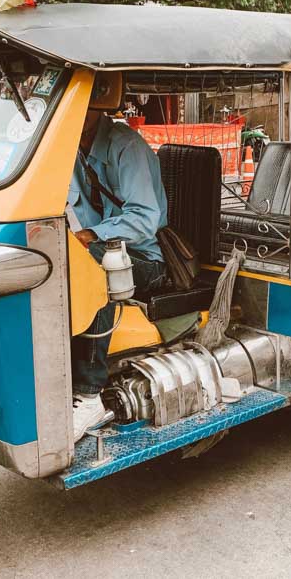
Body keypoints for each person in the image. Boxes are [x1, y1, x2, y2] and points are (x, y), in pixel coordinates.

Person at [68, 107, 168, 440]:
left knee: (93, 267)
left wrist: (92, 236)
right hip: (108, 247)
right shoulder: (71, 147)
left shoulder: (127, 147)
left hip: (146, 259)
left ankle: (89, 392)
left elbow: (144, 220)